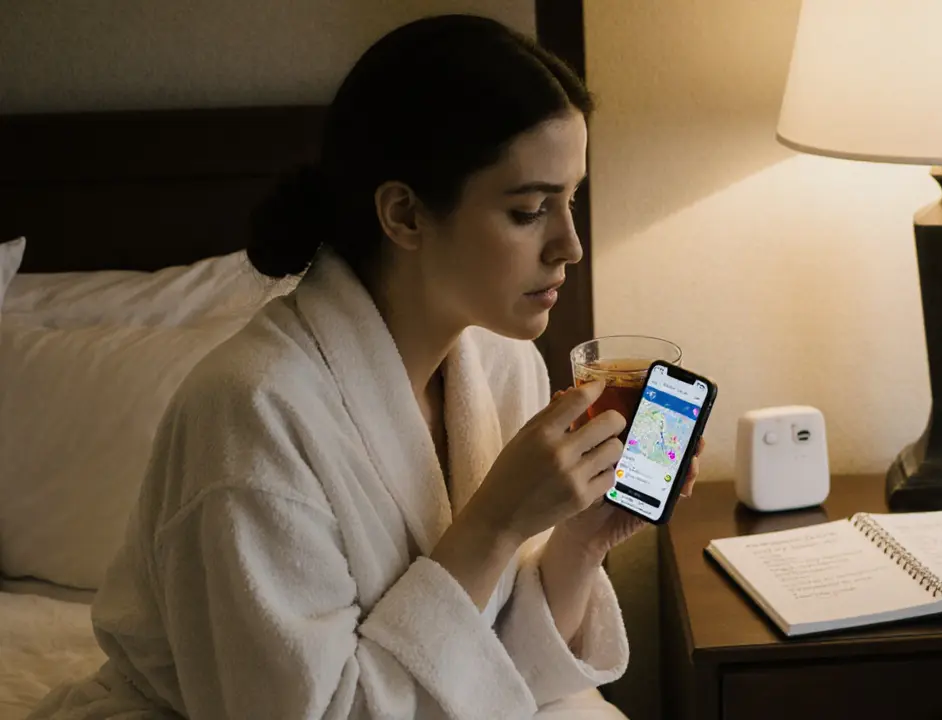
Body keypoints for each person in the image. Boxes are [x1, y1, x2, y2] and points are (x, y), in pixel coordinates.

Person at [30, 14, 701, 720]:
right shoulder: (250, 415)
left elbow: (498, 671)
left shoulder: (504, 367)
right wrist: (497, 518)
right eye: (531, 209)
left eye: (572, 200)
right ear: (405, 215)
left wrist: (584, 537)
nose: (569, 245)